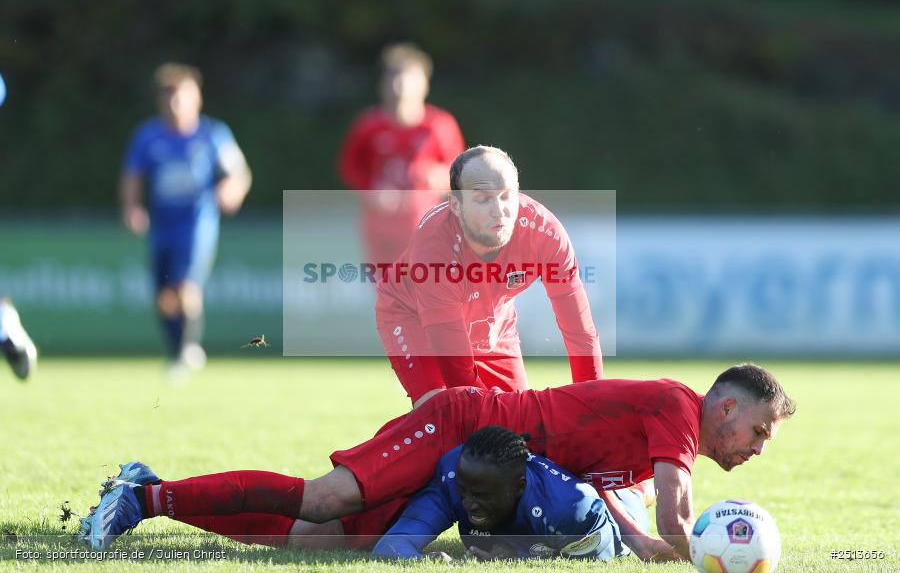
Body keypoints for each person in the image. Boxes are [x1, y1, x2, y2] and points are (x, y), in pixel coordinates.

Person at [79, 363, 794, 561]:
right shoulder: (676, 407)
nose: (758, 448)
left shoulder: (650, 443)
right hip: (462, 424)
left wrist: (669, 556)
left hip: (478, 467)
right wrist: (713, 556)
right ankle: (138, 500)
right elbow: (674, 515)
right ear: (725, 407)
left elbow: (639, 531)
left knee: (315, 540)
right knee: (325, 499)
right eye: (758, 430)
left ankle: (149, 490)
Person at [376, 145, 603, 408]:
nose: (499, 210)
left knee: (521, 421)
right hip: (414, 317)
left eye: (507, 196)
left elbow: (579, 332)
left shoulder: (545, 234)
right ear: (455, 205)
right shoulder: (434, 247)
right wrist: (487, 415)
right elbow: (457, 370)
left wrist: (593, 402)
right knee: (447, 412)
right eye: (483, 199)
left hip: (492, 327)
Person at [119, 63, 252, 374]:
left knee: (186, 285)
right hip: (162, 226)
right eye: (169, 96)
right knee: (163, 295)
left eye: (182, 95)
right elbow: (132, 176)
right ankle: (177, 349)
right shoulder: (148, 137)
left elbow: (239, 172)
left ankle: (188, 349)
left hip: (196, 223)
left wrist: (232, 190)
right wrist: (131, 207)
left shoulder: (213, 134)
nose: (175, 102)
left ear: (197, 99)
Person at [371, 426, 648, 561]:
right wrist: (423, 561)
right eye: (465, 492)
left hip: (617, 507)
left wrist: (521, 554)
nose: (469, 504)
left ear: (519, 487)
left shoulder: (572, 510)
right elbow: (390, 546)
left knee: (635, 496)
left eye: (483, 495)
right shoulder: (452, 478)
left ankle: (645, 487)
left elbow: (599, 560)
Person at [338, 43, 465, 266]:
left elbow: (459, 172)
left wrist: (437, 176)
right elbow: (350, 167)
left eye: (409, 77)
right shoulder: (368, 126)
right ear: (382, 83)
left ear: (424, 84)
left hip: (424, 223)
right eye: (394, 76)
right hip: (379, 224)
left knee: (423, 281)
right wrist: (372, 190)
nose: (401, 84)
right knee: (386, 283)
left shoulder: (439, 125)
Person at [0, 298, 37, 380]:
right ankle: (15, 355)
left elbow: (3, 336)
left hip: (18, 346)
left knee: (5, 340)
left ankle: (16, 355)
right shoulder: (6, 311)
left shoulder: (4, 312)